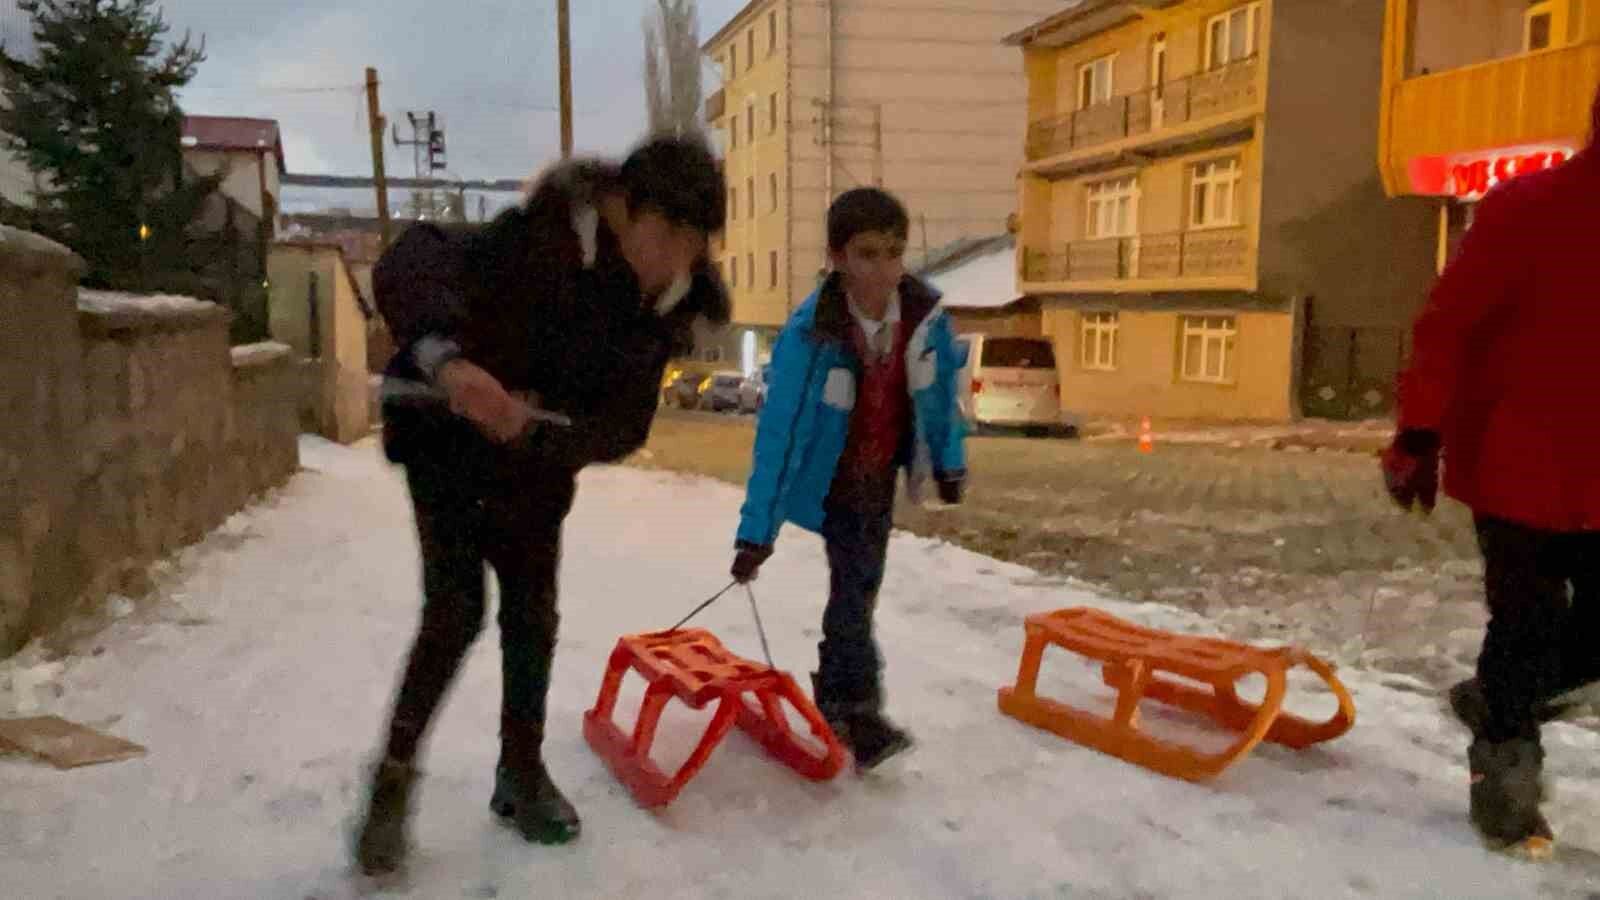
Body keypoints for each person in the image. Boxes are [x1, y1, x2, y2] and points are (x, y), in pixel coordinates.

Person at [353, 136, 729, 876]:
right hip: (443, 435)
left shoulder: (659, 311)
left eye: (694, 244)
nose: (678, 259)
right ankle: (392, 779)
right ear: (623, 209)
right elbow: (409, 261)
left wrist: (537, 426)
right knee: (456, 608)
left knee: (533, 613)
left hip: (532, 463)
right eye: (669, 235)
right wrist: (455, 368)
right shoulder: (533, 239)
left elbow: (622, 428)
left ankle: (519, 774)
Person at [1385, 84, 1600, 856]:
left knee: (1559, 642)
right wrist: (1417, 435)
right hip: (1519, 466)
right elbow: (1448, 327)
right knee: (1525, 623)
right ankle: (1505, 784)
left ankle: (1500, 700)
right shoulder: (1526, 208)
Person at [728, 188, 968, 771]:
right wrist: (756, 532)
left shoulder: (922, 318)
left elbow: (939, 398)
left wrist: (948, 458)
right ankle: (854, 707)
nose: (884, 270)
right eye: (867, 254)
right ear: (836, 257)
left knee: (858, 590)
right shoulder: (812, 335)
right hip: (833, 481)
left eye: (894, 253)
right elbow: (780, 437)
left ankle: (844, 697)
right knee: (855, 589)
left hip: (879, 475)